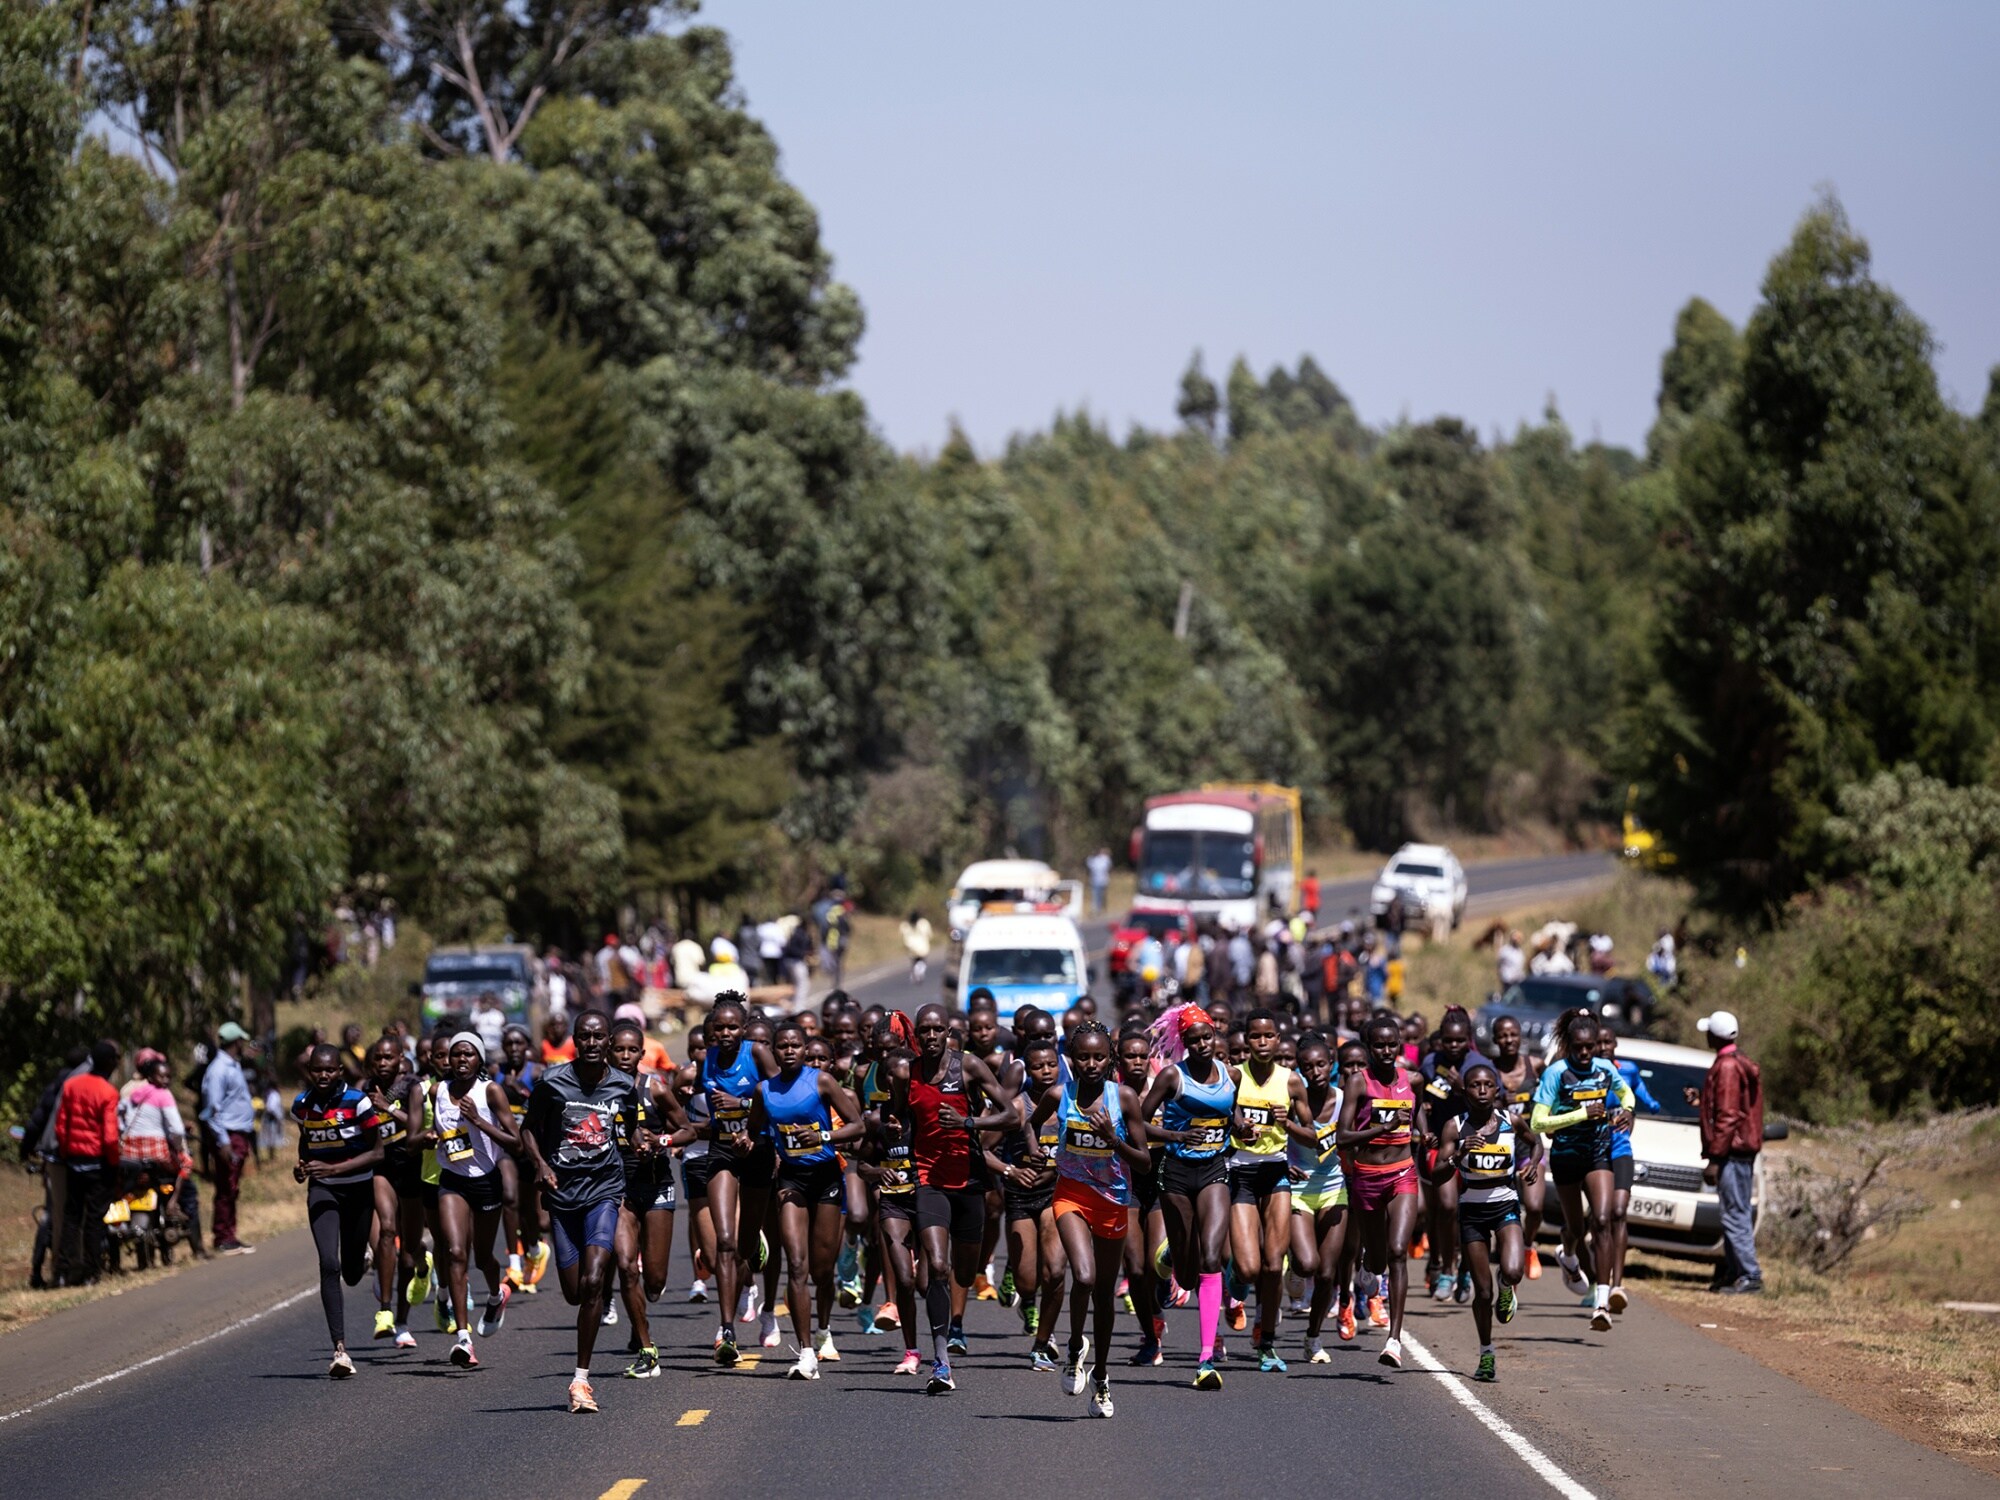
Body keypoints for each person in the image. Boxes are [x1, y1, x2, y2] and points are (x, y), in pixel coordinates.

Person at [521, 1010, 648, 1413]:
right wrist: (541, 1165)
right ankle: (590, 1282)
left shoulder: (624, 1084)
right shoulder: (551, 1083)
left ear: (609, 1040)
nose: (591, 1043)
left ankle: (580, 1380)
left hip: (605, 1191)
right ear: (574, 1041)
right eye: (584, 1037)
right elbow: (527, 1129)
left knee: (594, 1281)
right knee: (577, 1292)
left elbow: (630, 1128)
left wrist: (642, 1140)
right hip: (562, 1196)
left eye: (598, 1037)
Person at [1026, 1021, 1153, 1418]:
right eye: (1083, 1057)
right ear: (1073, 1060)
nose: (1092, 1064)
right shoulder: (1058, 1094)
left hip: (1113, 1199)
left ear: (1110, 1059)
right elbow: (1028, 1125)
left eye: (1099, 1057)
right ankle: (1075, 1346)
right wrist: (1037, 1152)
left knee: (1103, 1291)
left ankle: (1101, 1375)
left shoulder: (1125, 1099)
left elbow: (1145, 1163)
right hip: (1071, 1194)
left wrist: (1114, 1141)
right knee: (1082, 1276)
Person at [888, 1002, 1016, 1394]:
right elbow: (893, 1119)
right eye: (923, 1030)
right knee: (938, 1268)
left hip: (971, 1180)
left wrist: (968, 1123)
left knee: (963, 1268)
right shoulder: (905, 1073)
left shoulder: (969, 1066)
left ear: (948, 1033)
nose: (930, 1037)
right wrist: (892, 1129)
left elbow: (1011, 1115)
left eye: (937, 1030)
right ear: (916, 1035)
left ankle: (955, 1320)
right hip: (929, 1180)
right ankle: (940, 1362)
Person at [749, 1017, 864, 1379]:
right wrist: (750, 1143)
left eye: (795, 1046)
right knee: (796, 1265)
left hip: (827, 1178)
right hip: (791, 1181)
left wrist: (823, 1138)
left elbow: (857, 1125)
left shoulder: (822, 1081)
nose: (788, 1052)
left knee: (821, 1269)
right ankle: (806, 1354)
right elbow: (755, 1132)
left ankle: (824, 1327)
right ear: (773, 1050)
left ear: (803, 1049)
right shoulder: (764, 1091)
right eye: (781, 1046)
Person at [1139, 1003, 1237, 1387]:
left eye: (1207, 1037)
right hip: (1176, 1174)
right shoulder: (1170, 1078)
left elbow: (1231, 1115)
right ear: (1184, 1042)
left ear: (1215, 1036)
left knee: (1211, 1258)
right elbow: (1140, 1123)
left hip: (1214, 1171)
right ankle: (1168, 1264)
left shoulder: (1230, 1075)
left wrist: (1241, 1125)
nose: (1201, 1045)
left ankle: (1205, 1359)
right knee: (1186, 1272)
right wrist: (1176, 1136)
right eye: (1193, 1040)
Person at [678, 995, 778, 1366]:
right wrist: (677, 1134)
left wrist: (743, 1109)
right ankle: (726, 1328)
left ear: (744, 1026)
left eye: (732, 1026)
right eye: (718, 1028)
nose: (725, 1033)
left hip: (759, 1153)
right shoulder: (705, 1062)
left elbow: (779, 1098)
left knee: (745, 1247)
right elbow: (706, 1117)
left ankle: (754, 1249)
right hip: (721, 1152)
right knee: (723, 1241)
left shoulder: (757, 1055)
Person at [1430, 1063, 1542, 1382]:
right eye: (1475, 1085)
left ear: (1497, 1090)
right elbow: (1437, 1175)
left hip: (1505, 1205)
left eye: (1488, 1085)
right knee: (1482, 1293)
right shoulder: (1455, 1127)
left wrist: (1532, 1165)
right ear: (1465, 1092)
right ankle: (1487, 1354)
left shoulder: (1511, 1121)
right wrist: (1459, 1155)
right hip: (1472, 1213)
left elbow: (1536, 1143)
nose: (1482, 1090)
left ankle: (1508, 1287)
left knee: (1513, 1270)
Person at [1530, 1013, 1634, 1331]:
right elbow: (1538, 1122)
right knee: (1575, 1228)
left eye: (1590, 1047)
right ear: (1570, 1046)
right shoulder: (1557, 1074)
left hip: (1597, 1154)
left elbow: (1626, 1093)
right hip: (1565, 1157)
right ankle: (1568, 1252)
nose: (1586, 1053)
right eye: (1580, 1048)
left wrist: (1626, 1112)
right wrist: (1579, 1114)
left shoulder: (1604, 1070)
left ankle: (1601, 1302)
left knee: (1602, 1221)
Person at [291, 1043, 388, 1377]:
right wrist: (303, 1167)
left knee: (350, 1273)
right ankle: (340, 1350)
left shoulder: (357, 1103)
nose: (322, 1075)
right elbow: (307, 1142)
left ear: (340, 1072)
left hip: (358, 1189)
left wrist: (336, 1169)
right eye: (317, 1069)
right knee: (329, 1265)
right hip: (323, 1191)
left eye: (329, 1070)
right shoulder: (301, 1105)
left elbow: (378, 1153)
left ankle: (361, 1257)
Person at [607, 1020, 691, 1379]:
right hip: (616, 1190)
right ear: (610, 1051)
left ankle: (641, 1312)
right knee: (626, 1267)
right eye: (619, 1050)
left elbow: (686, 1129)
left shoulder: (654, 1088)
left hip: (656, 1186)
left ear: (642, 1054)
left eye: (632, 1050)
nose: (625, 1056)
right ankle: (646, 1346)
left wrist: (662, 1143)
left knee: (653, 1282)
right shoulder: (597, 1091)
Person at [1336, 1014, 1422, 1367]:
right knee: (1377, 1258)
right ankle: (1368, 1270)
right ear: (1369, 1048)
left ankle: (1394, 1340)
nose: (1387, 1051)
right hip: (1366, 1176)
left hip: (1403, 1173)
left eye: (1392, 1044)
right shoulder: (1358, 1083)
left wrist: (1423, 1134)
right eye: (1379, 1045)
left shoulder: (1412, 1079)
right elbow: (1342, 1137)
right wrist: (1380, 1129)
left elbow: (1418, 1119)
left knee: (1399, 1249)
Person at [431, 1033, 521, 1368]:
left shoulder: (490, 1092)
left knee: (483, 1257)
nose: (461, 1060)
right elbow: (438, 1130)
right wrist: (431, 1137)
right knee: (455, 1252)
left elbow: (516, 1144)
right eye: (456, 1055)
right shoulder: (437, 1091)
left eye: (468, 1054)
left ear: (480, 1059)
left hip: (485, 1182)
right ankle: (463, 1339)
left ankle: (497, 1295)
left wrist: (479, 1121)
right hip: (451, 1181)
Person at [1227, 1009, 1309, 1372]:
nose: (1262, 1043)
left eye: (1269, 1036)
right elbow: (1216, 1118)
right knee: (1248, 1267)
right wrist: (1237, 1126)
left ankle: (1267, 1341)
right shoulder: (1232, 1077)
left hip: (1275, 1171)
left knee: (1274, 1265)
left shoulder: (1291, 1082)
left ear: (1278, 1040)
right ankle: (1236, 1277)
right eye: (1255, 1036)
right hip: (1240, 1171)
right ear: (1246, 1040)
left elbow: (1314, 1134)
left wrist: (1286, 1122)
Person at [1688, 1010, 1764, 1294]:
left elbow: (1729, 1115)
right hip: (1736, 1150)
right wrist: (1701, 1101)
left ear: (1715, 1036)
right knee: (1734, 1211)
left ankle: (1749, 1274)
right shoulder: (1733, 1062)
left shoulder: (1728, 1067)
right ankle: (1734, 1272)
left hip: (1732, 1152)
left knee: (1734, 1213)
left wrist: (1716, 1158)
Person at [1288, 1033, 1347, 1364]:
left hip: (1334, 1187)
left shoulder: (1342, 1099)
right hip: (1298, 1188)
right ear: (1300, 1069)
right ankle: (1294, 1266)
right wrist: (1285, 1164)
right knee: (1308, 1263)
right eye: (1307, 1066)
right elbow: (1275, 1139)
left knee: (1327, 1273)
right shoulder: (1292, 1100)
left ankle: (1312, 1337)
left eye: (1321, 1064)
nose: (1316, 1072)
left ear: (1331, 1063)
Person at [364, 1036, 425, 1347]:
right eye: (378, 1059)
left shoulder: (413, 1086)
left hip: (412, 1169)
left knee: (410, 1251)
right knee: (387, 1230)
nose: (383, 1063)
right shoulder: (365, 1089)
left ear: (401, 1058)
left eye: (389, 1057)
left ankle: (402, 1322)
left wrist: (388, 1108)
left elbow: (417, 1125)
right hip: (383, 1167)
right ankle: (384, 1312)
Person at [54, 1041, 123, 1285]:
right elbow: (110, 1137)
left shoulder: (72, 1085)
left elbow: (61, 1126)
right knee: (94, 1220)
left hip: (74, 1161)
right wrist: (113, 1165)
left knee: (71, 1217)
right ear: (109, 1063)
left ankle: (62, 1271)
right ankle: (91, 1272)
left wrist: (66, 1153)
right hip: (97, 1164)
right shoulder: (108, 1092)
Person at [1487, 1015, 1545, 1279]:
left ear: (1520, 1036)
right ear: (1495, 1039)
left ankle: (1528, 1246)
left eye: (1513, 1034)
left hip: (1529, 1147)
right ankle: (1507, 1268)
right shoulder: (1488, 1069)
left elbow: (1551, 1094)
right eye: (1503, 1035)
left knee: (1534, 1207)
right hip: (1498, 1150)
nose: (1508, 1040)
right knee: (1503, 1211)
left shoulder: (1535, 1065)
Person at [200, 1022, 257, 1254]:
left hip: (239, 1133)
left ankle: (229, 1233)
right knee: (226, 1185)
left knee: (232, 1186)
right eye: (241, 1041)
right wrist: (223, 1141)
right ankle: (223, 1236)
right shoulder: (218, 1070)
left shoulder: (232, 1066)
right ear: (236, 1042)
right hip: (228, 1135)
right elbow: (212, 1109)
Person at [901, 910, 934, 984]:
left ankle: (915, 973)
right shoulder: (924, 923)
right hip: (923, 948)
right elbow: (930, 935)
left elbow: (903, 936)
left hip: (911, 948)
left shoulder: (905, 925)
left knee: (914, 961)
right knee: (922, 961)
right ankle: (919, 973)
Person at [1086, 847, 1113, 916]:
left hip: (1103, 881)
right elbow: (1089, 865)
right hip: (1095, 881)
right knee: (1095, 896)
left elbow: (1108, 865)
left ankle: (1101, 908)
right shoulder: (1093, 860)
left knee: (1101, 896)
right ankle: (1095, 910)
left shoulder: (1104, 859)